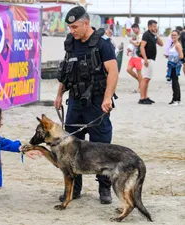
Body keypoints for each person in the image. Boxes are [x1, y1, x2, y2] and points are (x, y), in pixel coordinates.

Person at [54, 6, 118, 204]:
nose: (72, 30)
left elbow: (113, 72)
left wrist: (107, 98)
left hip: (97, 102)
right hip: (75, 102)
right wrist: (58, 95)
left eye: (75, 26)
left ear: (86, 23)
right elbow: (67, 72)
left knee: (102, 147)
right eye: (70, 27)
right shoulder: (71, 43)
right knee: (70, 147)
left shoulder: (102, 44)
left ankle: (104, 190)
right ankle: (74, 189)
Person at [139, 20, 163, 104]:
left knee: (147, 79)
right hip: (147, 59)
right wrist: (145, 58)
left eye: (156, 26)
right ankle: (142, 98)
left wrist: (156, 34)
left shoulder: (153, 35)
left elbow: (161, 43)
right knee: (145, 78)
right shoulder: (146, 34)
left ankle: (145, 96)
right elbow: (142, 47)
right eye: (154, 26)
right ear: (149, 26)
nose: (155, 28)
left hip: (151, 59)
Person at [166, 30, 183, 106]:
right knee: (173, 82)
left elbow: (181, 56)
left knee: (175, 83)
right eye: (172, 35)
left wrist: (174, 60)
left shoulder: (178, 45)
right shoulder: (172, 44)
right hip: (171, 65)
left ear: (178, 36)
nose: (173, 36)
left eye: (175, 35)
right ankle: (175, 99)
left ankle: (176, 100)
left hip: (175, 65)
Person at [126, 23, 142, 93]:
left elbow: (138, 44)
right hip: (133, 56)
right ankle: (140, 80)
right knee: (129, 69)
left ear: (138, 28)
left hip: (138, 57)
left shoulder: (140, 36)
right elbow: (132, 45)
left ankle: (140, 88)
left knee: (139, 73)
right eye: (133, 30)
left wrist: (131, 41)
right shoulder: (135, 36)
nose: (134, 31)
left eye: (134, 29)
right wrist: (129, 50)